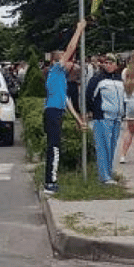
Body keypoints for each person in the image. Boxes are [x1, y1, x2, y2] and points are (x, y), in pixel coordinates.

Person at [42, 19, 88, 195]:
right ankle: (50, 182)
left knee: (55, 146)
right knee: (54, 147)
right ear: (56, 61)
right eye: (65, 60)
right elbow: (70, 49)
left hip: (57, 111)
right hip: (53, 112)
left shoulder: (61, 79)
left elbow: (67, 100)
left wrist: (78, 119)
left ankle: (51, 180)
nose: (69, 63)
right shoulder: (55, 71)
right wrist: (79, 30)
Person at [85, 54, 124, 184]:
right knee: (102, 146)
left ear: (116, 65)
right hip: (102, 116)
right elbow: (89, 95)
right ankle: (104, 175)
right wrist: (94, 111)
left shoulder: (120, 79)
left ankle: (109, 172)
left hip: (117, 117)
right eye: (106, 63)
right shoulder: (97, 79)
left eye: (111, 63)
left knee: (112, 146)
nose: (109, 65)